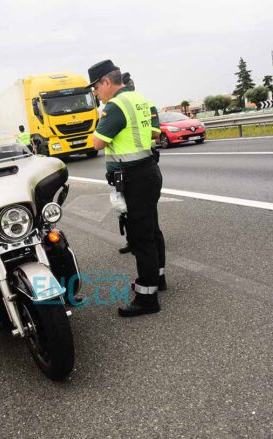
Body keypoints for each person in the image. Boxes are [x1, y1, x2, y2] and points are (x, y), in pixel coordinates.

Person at [87, 60, 166, 317]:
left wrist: (99, 124)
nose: (96, 94)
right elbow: (155, 134)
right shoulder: (140, 99)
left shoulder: (116, 106)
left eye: (96, 88)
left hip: (135, 178)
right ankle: (158, 279)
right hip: (149, 171)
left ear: (106, 82)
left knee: (141, 238)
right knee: (152, 230)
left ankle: (147, 298)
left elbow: (97, 143)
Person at [118, 72, 162, 255]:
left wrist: (132, 132)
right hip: (127, 164)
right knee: (125, 209)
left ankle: (146, 240)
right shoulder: (119, 107)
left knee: (147, 211)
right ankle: (132, 240)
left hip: (144, 160)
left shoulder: (146, 105)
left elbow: (155, 132)